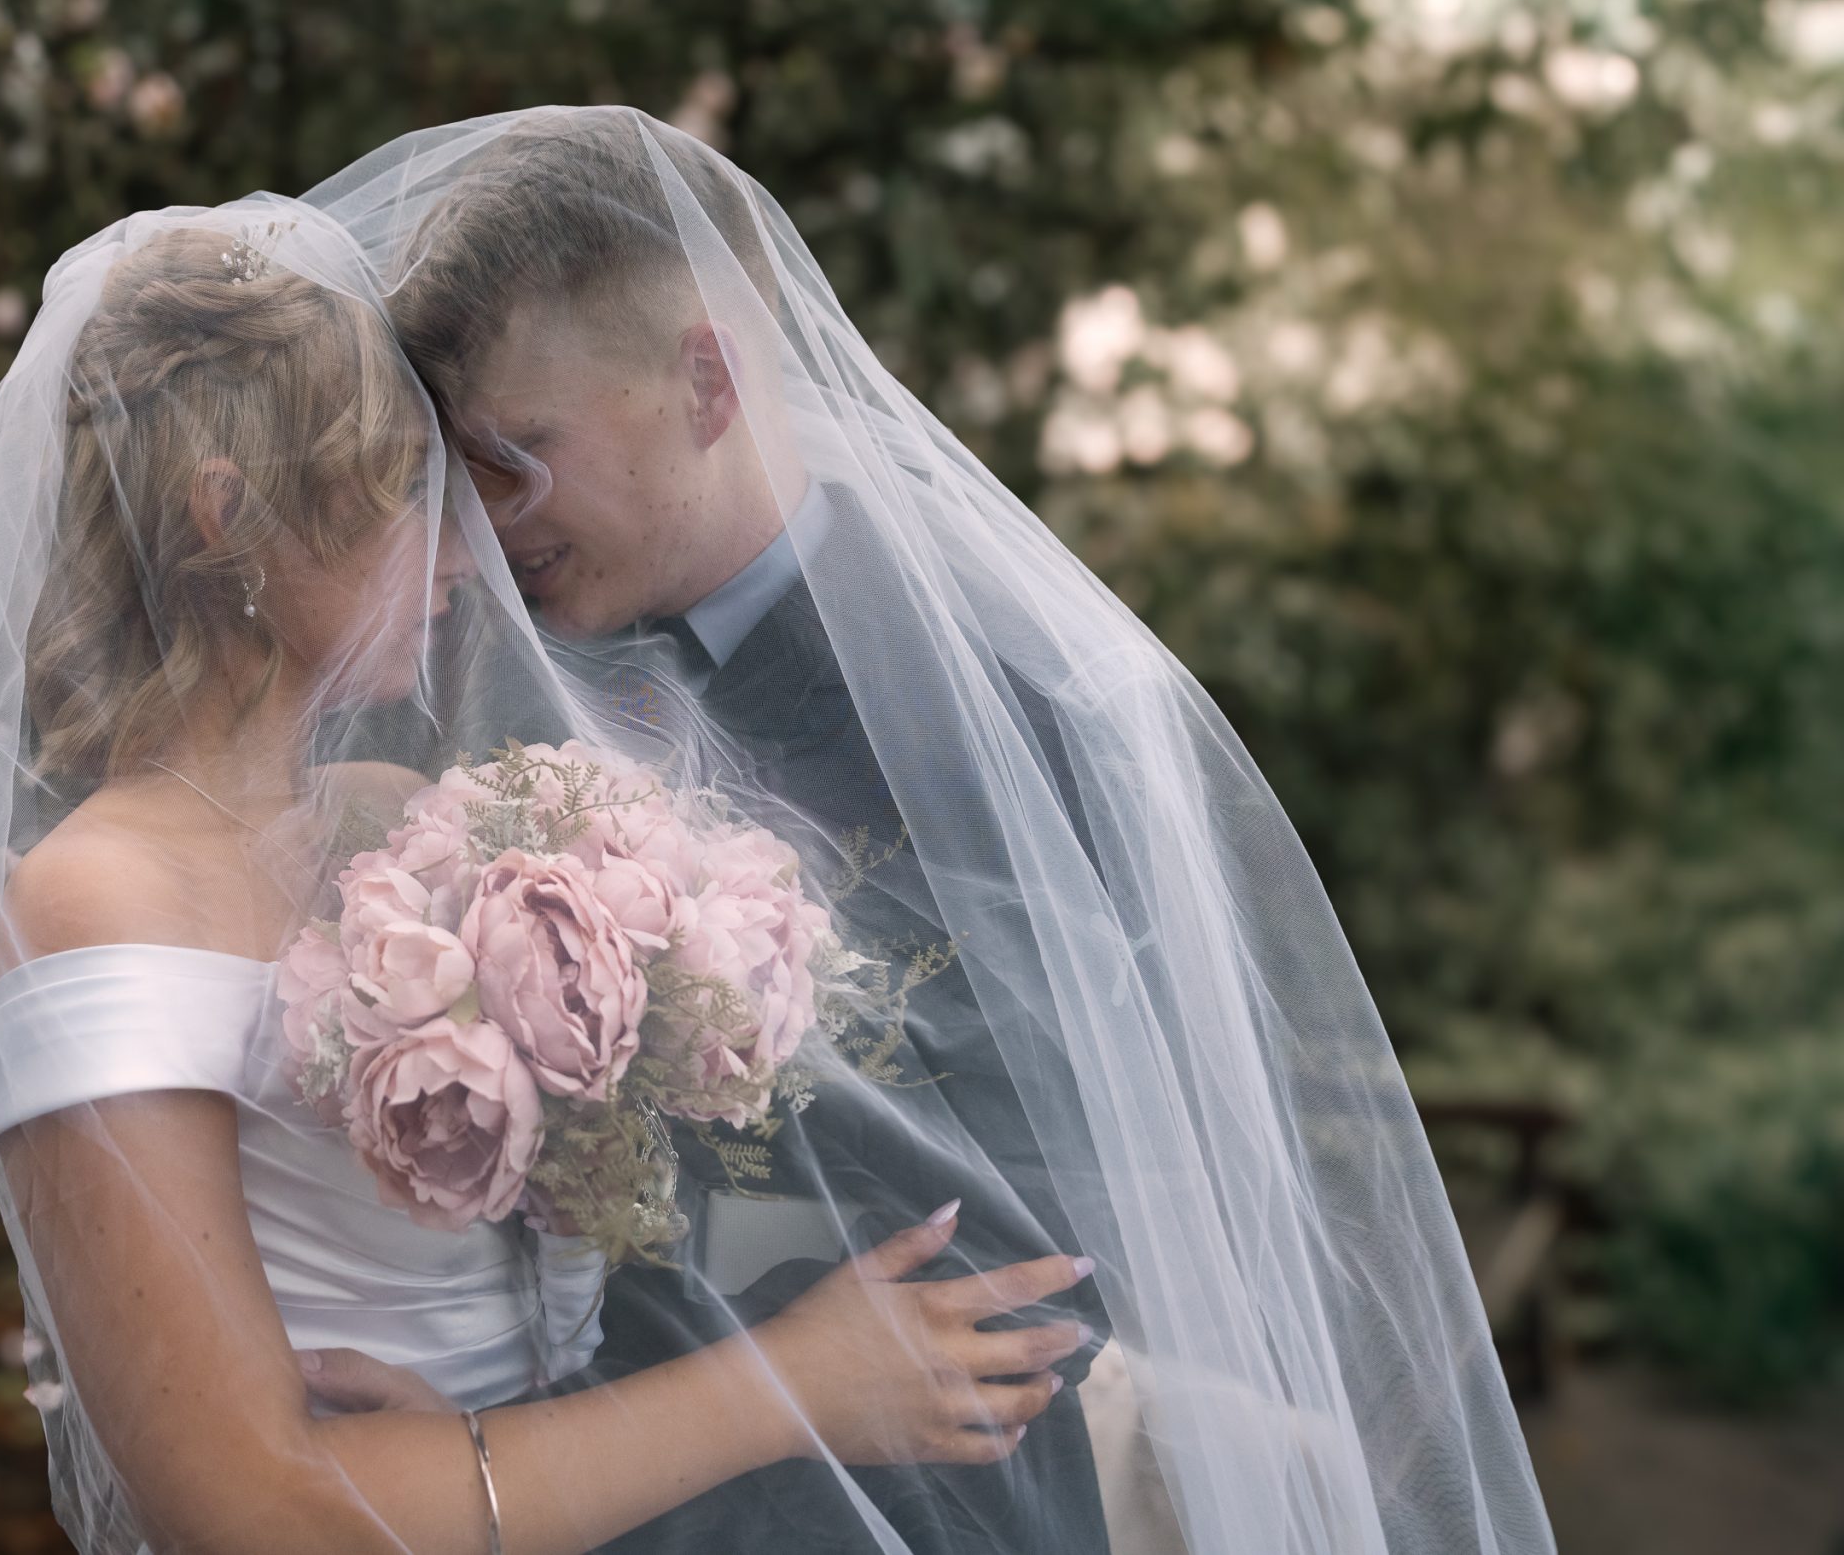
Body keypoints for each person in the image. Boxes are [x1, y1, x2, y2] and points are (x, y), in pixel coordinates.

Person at [302, 109, 1557, 1555]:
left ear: (706, 380)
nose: (483, 520)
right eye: (461, 468)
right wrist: (487, 1416)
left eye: (519, 456)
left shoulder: (1020, 706)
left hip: (925, 1496)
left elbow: (1018, 1234)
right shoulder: (502, 672)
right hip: (614, 1470)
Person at [0, 202, 1094, 1555]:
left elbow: (570, 1261)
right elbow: (257, 1510)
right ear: (231, 520)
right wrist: (793, 1386)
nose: (464, 551)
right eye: (403, 499)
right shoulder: (95, 900)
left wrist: (491, 1423)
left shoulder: (396, 827)